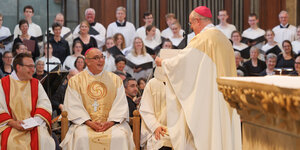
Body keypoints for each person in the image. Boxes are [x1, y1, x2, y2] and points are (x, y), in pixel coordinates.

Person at [155, 6, 241, 150]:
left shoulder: (203, 39)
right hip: (225, 97)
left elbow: (183, 63)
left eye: (191, 23)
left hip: (210, 97)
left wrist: (163, 63)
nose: (192, 27)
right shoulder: (224, 39)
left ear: (197, 21)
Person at [60, 48, 135, 150]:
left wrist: (110, 122)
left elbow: (120, 104)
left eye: (102, 57)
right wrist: (90, 123)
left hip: (111, 124)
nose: (101, 60)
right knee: (81, 137)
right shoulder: (76, 81)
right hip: (84, 124)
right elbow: (73, 106)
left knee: (120, 137)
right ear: (87, 61)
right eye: (96, 58)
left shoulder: (115, 80)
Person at [0, 53, 55, 150]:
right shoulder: (3, 84)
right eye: (30, 67)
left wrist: (33, 122)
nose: (33, 70)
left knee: (43, 139)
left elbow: (44, 105)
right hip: (10, 126)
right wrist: (13, 123)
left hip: (33, 126)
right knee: (9, 142)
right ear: (18, 67)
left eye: (33, 66)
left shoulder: (36, 84)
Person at [139, 67, 172, 150]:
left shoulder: (181, 83)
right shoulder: (152, 84)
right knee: (161, 142)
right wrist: (155, 126)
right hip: (156, 128)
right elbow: (146, 109)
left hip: (178, 128)